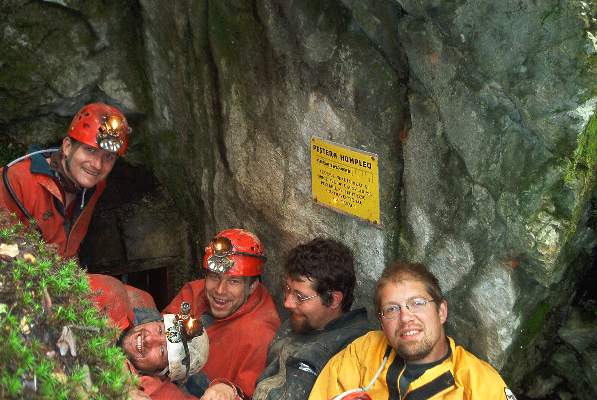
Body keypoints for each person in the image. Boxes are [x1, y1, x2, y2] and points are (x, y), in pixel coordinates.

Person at [308, 261, 518, 400]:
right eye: (392, 309)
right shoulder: (364, 351)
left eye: (417, 303)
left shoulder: (480, 386)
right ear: (382, 323)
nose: (405, 317)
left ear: (441, 311)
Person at [162, 228, 281, 399]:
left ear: (252, 286)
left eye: (233, 281)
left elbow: (248, 393)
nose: (219, 290)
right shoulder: (194, 292)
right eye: (214, 276)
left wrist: (228, 389)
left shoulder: (260, 337)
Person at [0, 102, 130, 259]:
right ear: (67, 147)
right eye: (90, 150)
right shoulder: (16, 180)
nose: (97, 165)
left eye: (108, 157)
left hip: (63, 270)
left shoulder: (95, 186)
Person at [249, 238, 370, 400]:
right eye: (287, 289)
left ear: (333, 300)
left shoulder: (356, 351)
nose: (287, 303)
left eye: (300, 296)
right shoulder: (296, 323)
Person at [88, 274, 209, 400]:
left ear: (160, 373)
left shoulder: (149, 390)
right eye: (160, 330)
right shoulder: (114, 296)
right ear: (157, 320)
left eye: (162, 351)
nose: (149, 339)